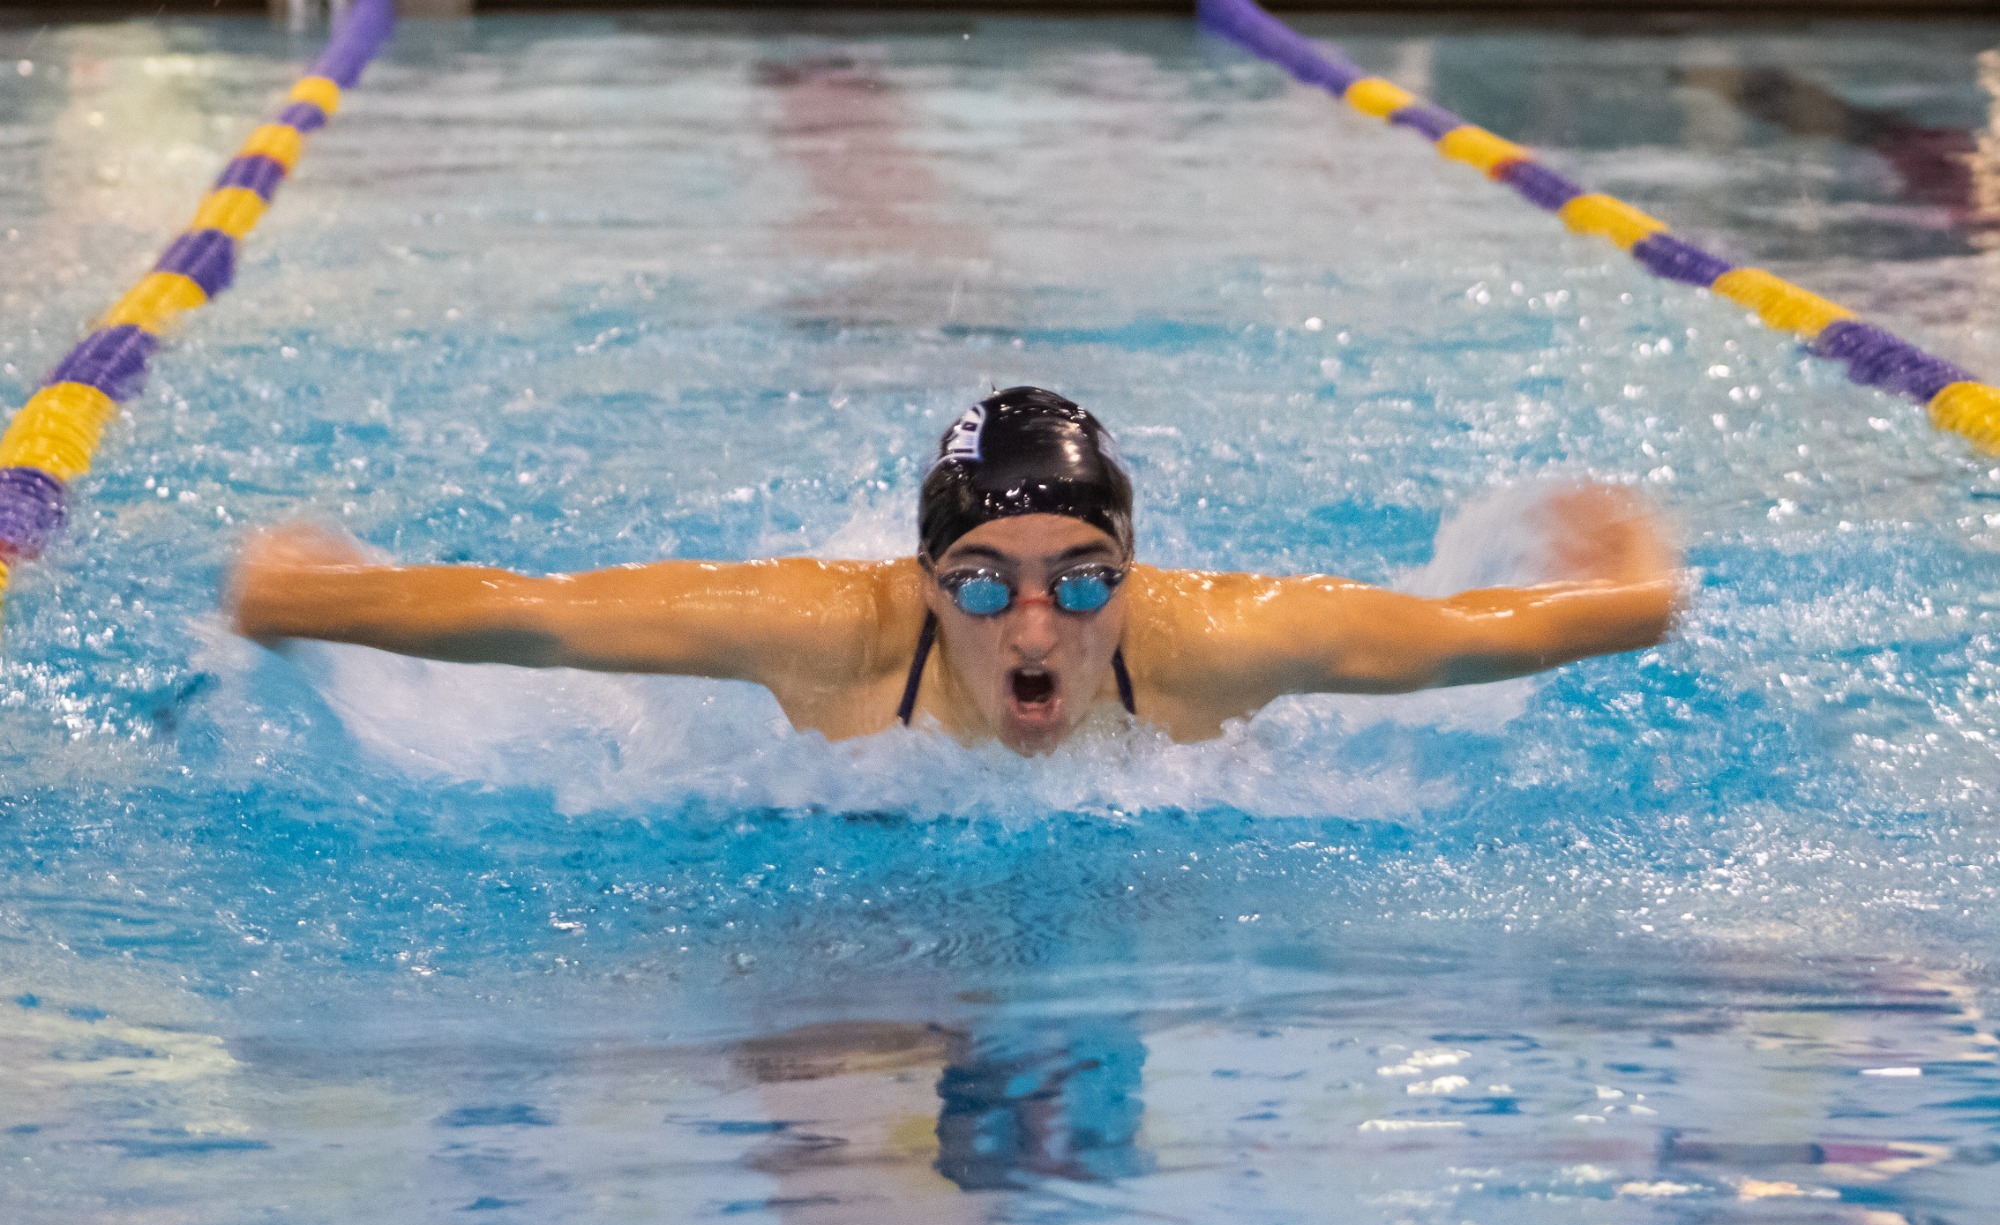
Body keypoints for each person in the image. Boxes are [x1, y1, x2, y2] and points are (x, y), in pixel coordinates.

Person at [230, 386, 1681, 755]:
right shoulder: (826, 632)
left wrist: (1628, 579)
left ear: (1133, 568)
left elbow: (1468, 634)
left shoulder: (1217, 641)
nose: (1037, 622)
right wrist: (297, 594)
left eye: (1081, 576)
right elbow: (535, 618)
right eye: (986, 581)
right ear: (927, 585)